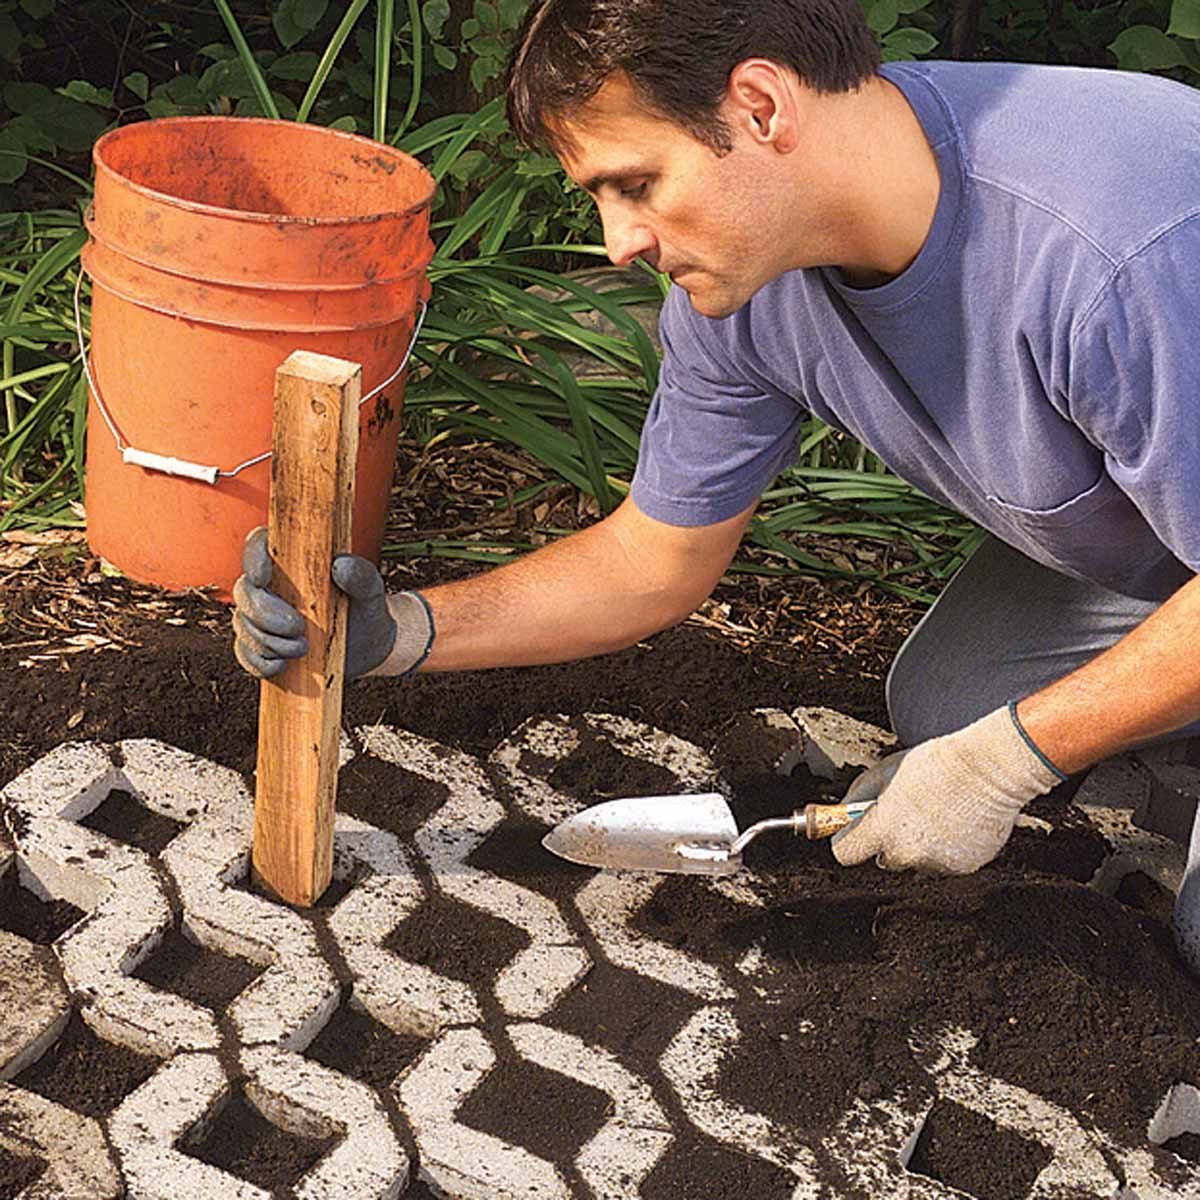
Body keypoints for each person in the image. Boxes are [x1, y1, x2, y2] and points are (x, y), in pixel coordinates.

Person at [234, 0, 1200, 971]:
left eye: (638, 183)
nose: (620, 243)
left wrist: (1009, 763)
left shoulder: (1116, 248)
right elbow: (652, 559)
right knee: (953, 706)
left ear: (761, 106)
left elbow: (1004, 760)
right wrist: (400, 631)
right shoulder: (744, 291)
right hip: (1164, 539)